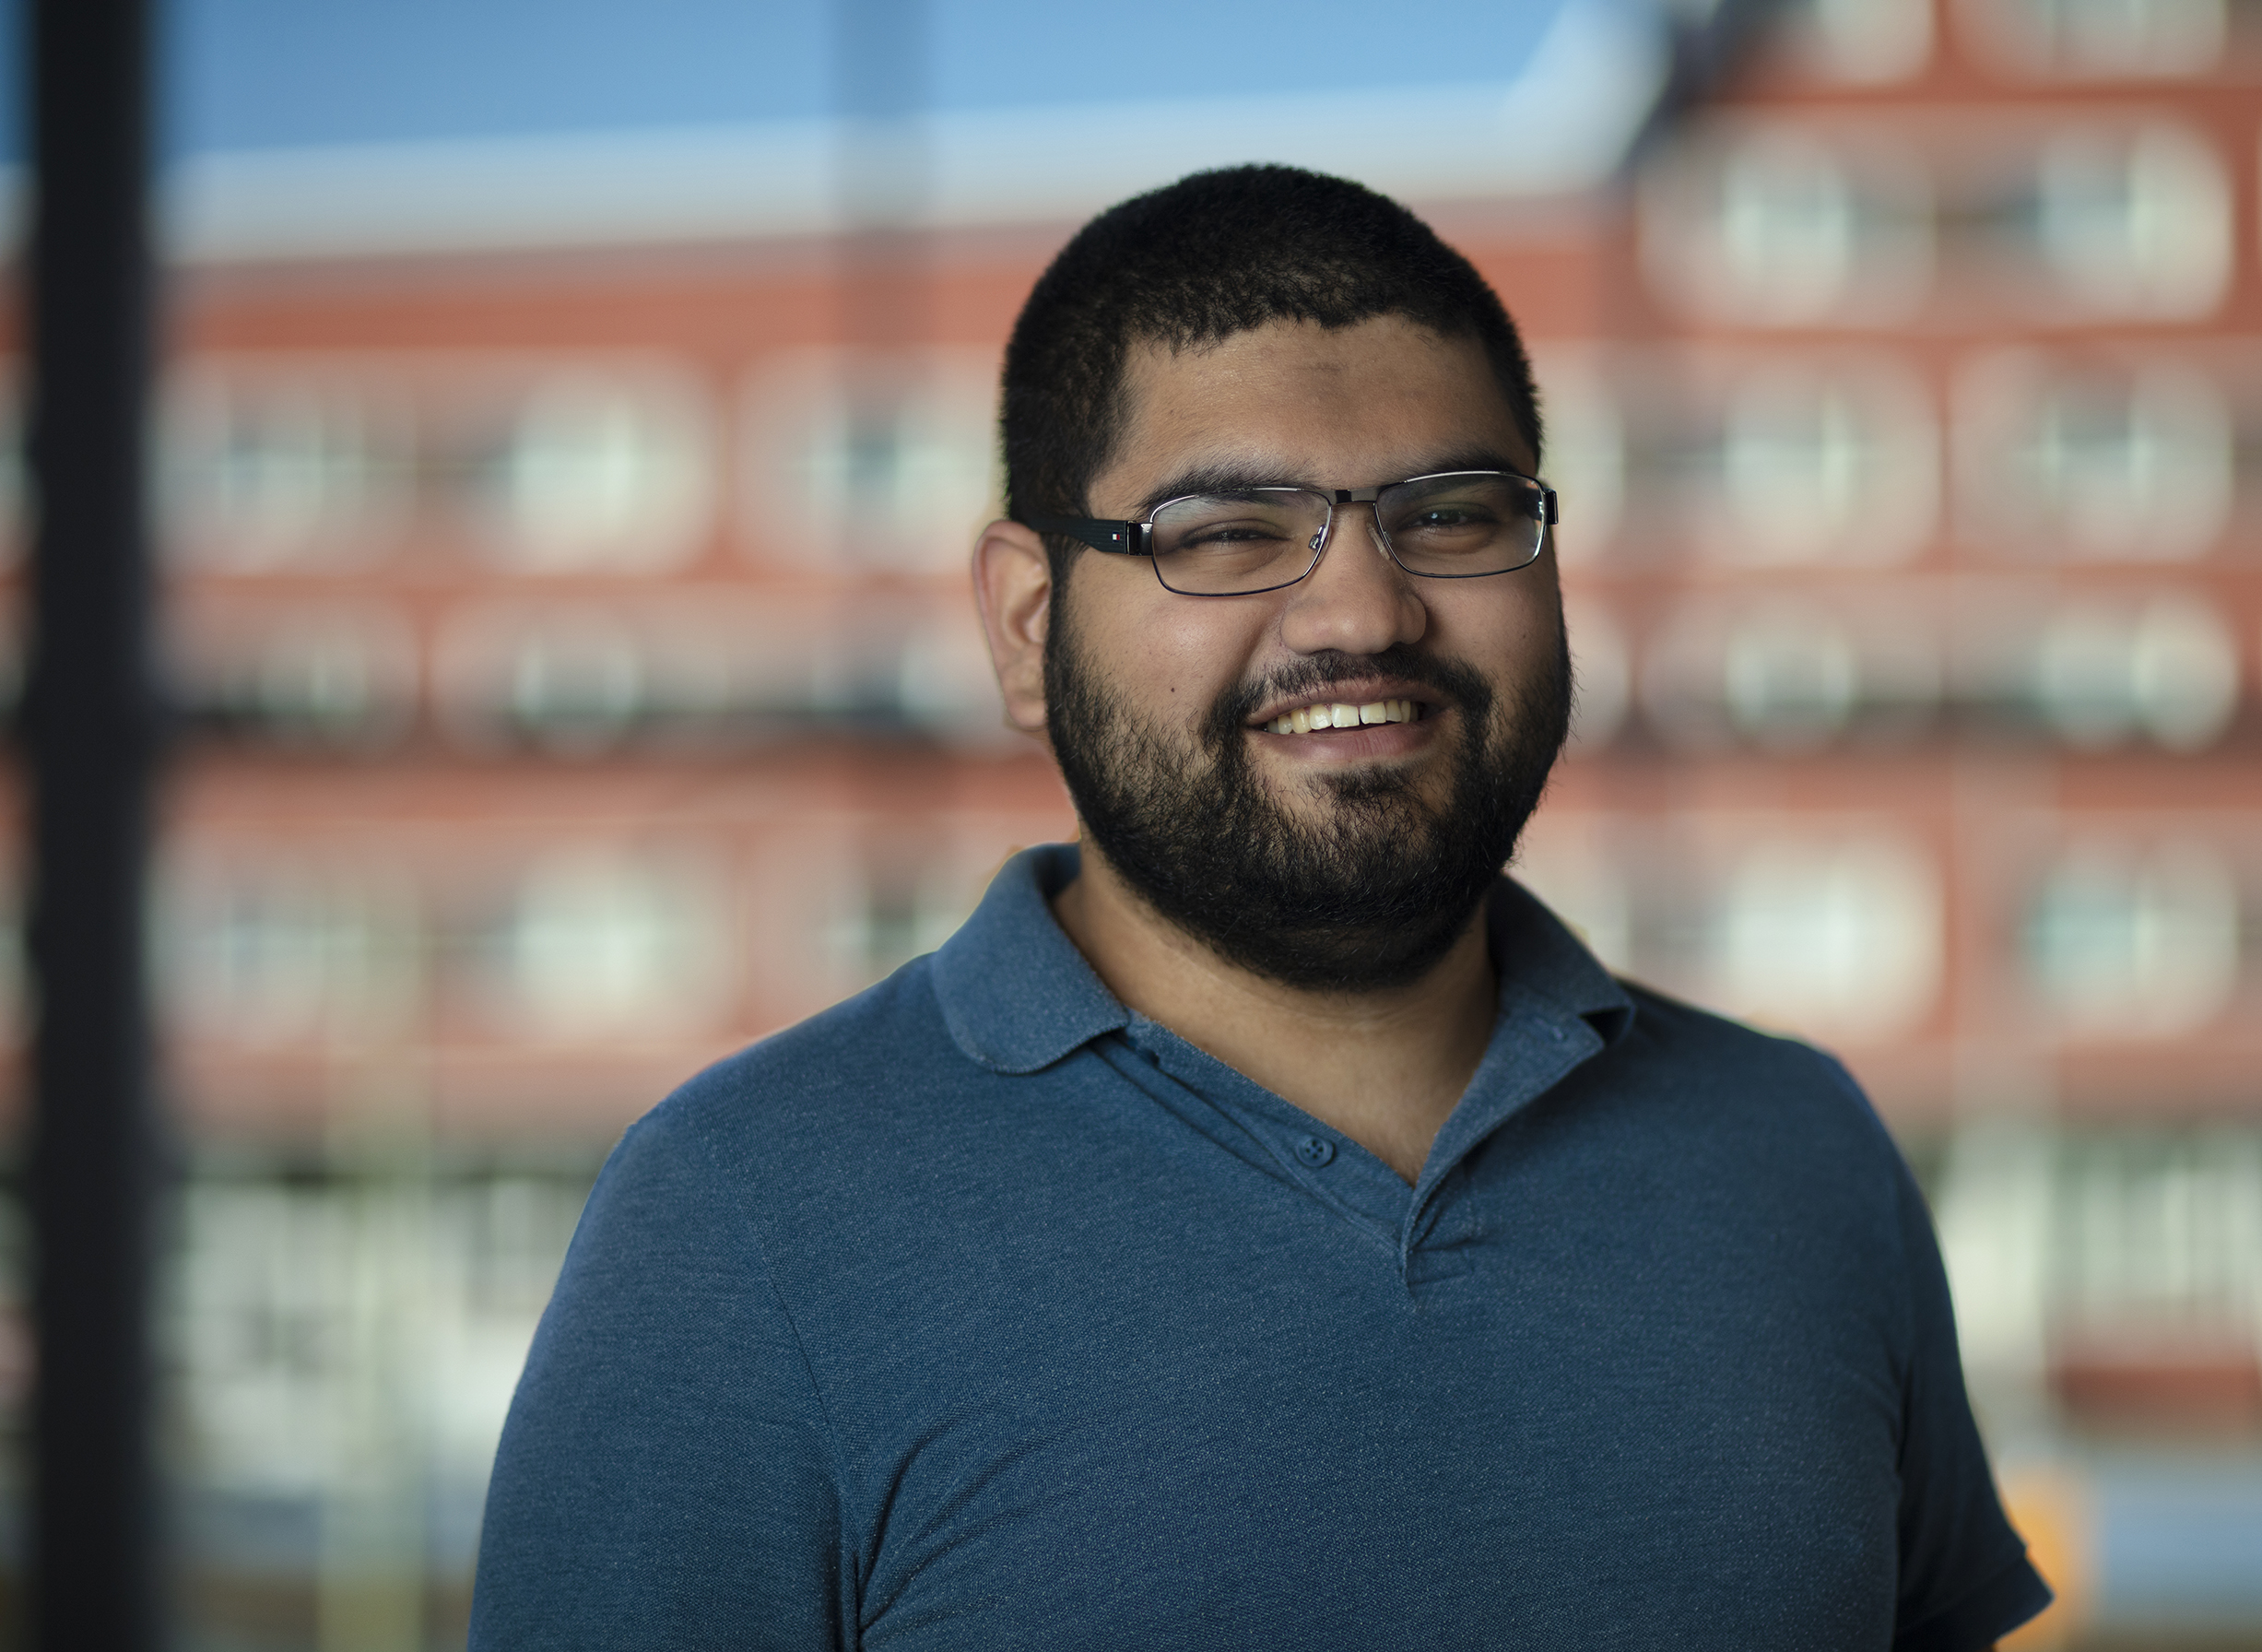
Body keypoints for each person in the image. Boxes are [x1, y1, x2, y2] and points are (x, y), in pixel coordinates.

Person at [469, 164, 2050, 1650]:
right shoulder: (738, 1221)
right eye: (1226, 534)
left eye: (1451, 513)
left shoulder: (1802, 1150)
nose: (1363, 609)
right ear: (1027, 628)